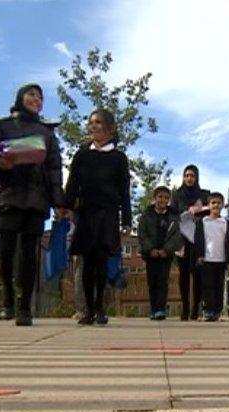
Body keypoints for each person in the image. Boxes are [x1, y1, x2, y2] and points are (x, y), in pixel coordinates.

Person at [0, 83, 64, 326]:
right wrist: (0, 164)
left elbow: (54, 168)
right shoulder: (2, 126)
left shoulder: (47, 132)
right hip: (8, 194)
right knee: (7, 252)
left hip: (35, 197)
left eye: (40, 97)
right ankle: (8, 300)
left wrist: (58, 202)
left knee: (29, 253)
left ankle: (24, 307)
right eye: (31, 94)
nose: (36, 99)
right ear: (20, 97)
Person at [64, 108, 132, 326]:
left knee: (101, 261)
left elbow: (124, 191)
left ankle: (100, 307)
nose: (93, 126)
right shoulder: (82, 154)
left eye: (99, 122)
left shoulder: (119, 158)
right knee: (86, 259)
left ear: (110, 129)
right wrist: (64, 208)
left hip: (108, 214)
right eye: (91, 122)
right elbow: (72, 184)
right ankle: (88, 311)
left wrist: (127, 220)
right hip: (85, 212)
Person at [171, 165, 210, 320]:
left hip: (199, 238)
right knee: (184, 274)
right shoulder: (177, 194)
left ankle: (195, 309)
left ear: (197, 177)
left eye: (192, 175)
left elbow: (211, 210)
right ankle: (185, 308)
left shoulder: (204, 194)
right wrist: (186, 212)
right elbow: (172, 215)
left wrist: (198, 211)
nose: (189, 178)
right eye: (186, 175)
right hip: (183, 239)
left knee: (198, 274)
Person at [138, 186, 183, 320]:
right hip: (151, 255)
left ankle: (161, 310)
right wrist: (150, 249)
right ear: (155, 198)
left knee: (163, 282)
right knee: (152, 282)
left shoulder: (174, 216)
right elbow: (142, 234)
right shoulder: (146, 215)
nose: (162, 200)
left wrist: (166, 250)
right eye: (160, 197)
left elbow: (177, 236)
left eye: (166, 198)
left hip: (165, 255)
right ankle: (154, 309)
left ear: (168, 200)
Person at [193, 192, 229, 322]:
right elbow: (198, 240)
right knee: (207, 286)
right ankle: (209, 311)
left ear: (222, 205)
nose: (216, 205)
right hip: (206, 259)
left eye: (218, 203)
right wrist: (199, 255)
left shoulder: (226, 224)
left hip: (221, 260)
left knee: (219, 286)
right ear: (208, 206)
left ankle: (217, 311)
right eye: (213, 203)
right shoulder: (202, 222)